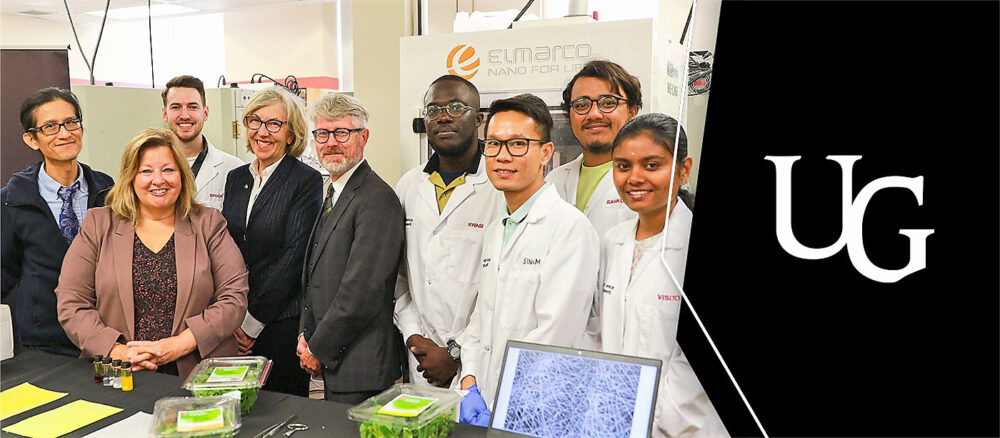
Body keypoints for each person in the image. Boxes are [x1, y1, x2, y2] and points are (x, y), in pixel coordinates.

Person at [55, 128, 248, 377]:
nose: (159, 180)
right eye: (146, 171)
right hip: (121, 371)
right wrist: (116, 350)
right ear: (130, 177)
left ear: (182, 175)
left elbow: (234, 296)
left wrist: (181, 344)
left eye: (168, 169)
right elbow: (72, 302)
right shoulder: (98, 225)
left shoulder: (208, 223)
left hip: (199, 372)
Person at [458, 94, 600, 425]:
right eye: (493, 144)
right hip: (487, 397)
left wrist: (507, 405)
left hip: (537, 409)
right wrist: (470, 382)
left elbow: (555, 336)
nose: (502, 156)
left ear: (545, 154)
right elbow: (482, 316)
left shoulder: (569, 228)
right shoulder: (496, 229)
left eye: (518, 144)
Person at [601, 114, 726, 437]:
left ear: (683, 169)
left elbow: (694, 369)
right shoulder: (612, 242)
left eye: (652, 165)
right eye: (623, 166)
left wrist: (658, 426)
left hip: (688, 427)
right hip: (618, 419)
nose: (634, 178)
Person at [393, 75, 504, 389]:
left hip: (479, 358)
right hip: (423, 359)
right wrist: (414, 336)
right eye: (433, 109)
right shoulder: (408, 186)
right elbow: (400, 277)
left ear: (479, 119)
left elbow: (500, 289)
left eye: (456, 107)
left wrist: (455, 352)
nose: (442, 116)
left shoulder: (499, 187)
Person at [297, 93, 405, 405]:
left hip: (361, 366)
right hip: (340, 362)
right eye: (322, 134)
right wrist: (306, 335)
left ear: (363, 137)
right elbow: (317, 276)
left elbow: (362, 291)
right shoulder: (334, 191)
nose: (331, 142)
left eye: (342, 133)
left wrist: (319, 347)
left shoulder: (376, 199)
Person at [222, 87, 322, 396]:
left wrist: (251, 323)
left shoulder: (304, 180)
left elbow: (293, 257)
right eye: (255, 121)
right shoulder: (236, 178)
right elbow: (228, 247)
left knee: (281, 408)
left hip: (280, 322)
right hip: (234, 315)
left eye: (274, 124)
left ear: (291, 134)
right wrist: (232, 313)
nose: (262, 132)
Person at [1, 87, 115, 357]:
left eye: (71, 122)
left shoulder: (108, 191)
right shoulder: (12, 201)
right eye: (50, 127)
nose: (65, 133)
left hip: (106, 335)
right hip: (43, 342)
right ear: (31, 139)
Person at [548, 60, 641, 237]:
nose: (594, 114)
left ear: (632, 111)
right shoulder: (554, 181)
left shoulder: (649, 181)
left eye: (608, 103)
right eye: (581, 105)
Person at [162, 75, 244, 210]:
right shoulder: (148, 168)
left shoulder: (233, 169)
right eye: (176, 107)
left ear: (205, 113)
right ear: (165, 114)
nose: (185, 115)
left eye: (192, 107)